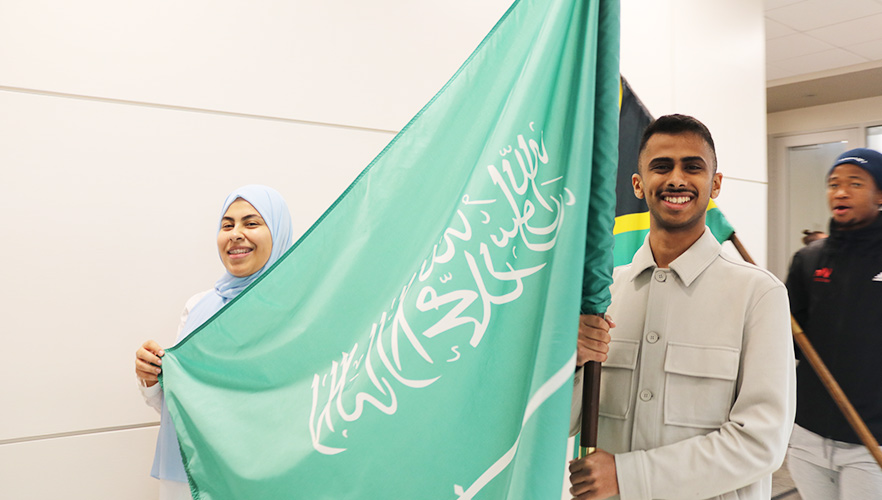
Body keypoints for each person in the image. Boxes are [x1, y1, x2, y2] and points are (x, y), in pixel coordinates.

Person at [569, 114, 796, 500]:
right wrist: (571, 362)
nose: (676, 179)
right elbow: (567, 421)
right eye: (662, 167)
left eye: (693, 167)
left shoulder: (759, 295)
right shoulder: (602, 296)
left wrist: (628, 476)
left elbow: (762, 443)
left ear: (716, 183)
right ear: (638, 185)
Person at [134, 185, 294, 500]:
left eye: (251, 223)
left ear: (279, 232)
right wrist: (151, 377)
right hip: (189, 474)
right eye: (227, 225)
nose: (235, 234)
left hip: (267, 476)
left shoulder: (298, 311)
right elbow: (176, 407)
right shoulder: (198, 307)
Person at [785, 148, 882, 500]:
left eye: (855, 184)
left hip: (870, 440)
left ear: (880, 194)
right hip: (807, 434)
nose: (840, 192)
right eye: (833, 184)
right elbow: (790, 342)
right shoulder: (808, 260)